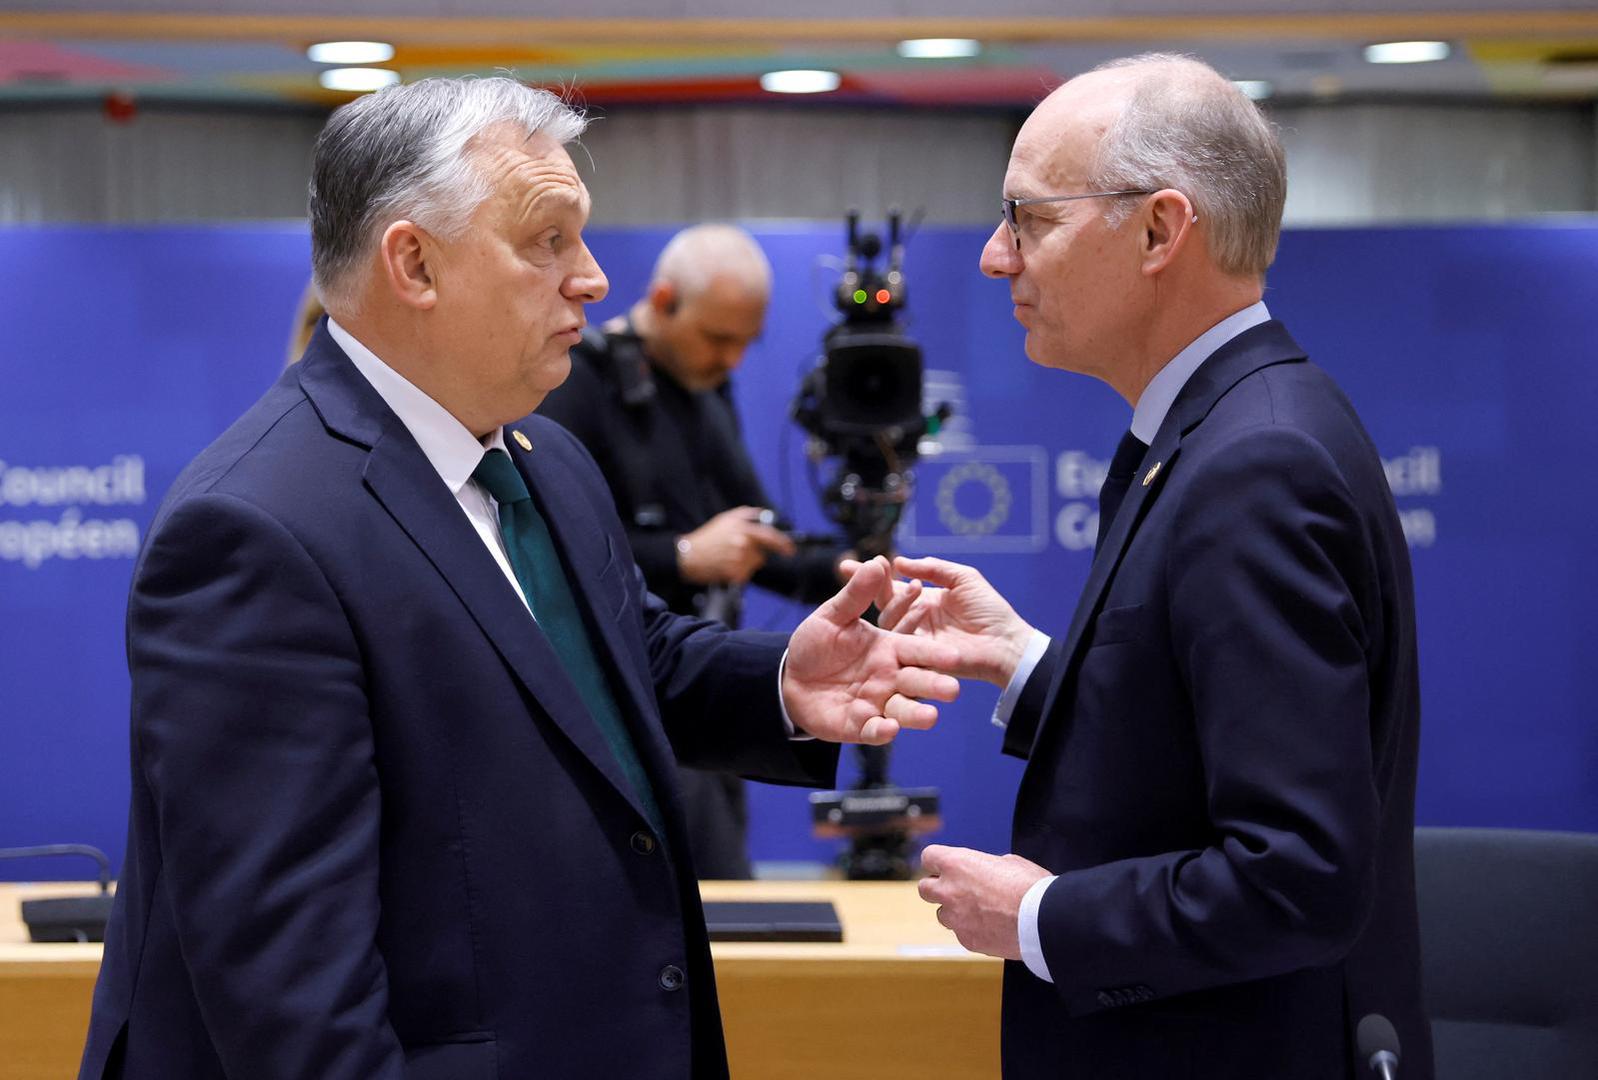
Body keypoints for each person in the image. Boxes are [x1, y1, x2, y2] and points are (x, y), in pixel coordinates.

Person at [78, 76, 959, 1080]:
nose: (592, 279)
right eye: (548, 240)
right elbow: (289, 990)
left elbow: (618, 661)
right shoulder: (253, 529)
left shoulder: (547, 460)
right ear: (414, 262)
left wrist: (781, 684)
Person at [872, 54, 1432, 1078]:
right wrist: (1027, 664)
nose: (995, 257)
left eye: (1028, 219)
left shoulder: (1254, 461)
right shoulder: (1225, 428)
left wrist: (1038, 917)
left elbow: (1299, 876)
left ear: (1158, 231)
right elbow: (1193, 735)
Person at [538, 224, 848, 879]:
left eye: (745, 343)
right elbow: (548, 549)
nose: (731, 360)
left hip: (705, 691)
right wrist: (682, 555)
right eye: (717, 338)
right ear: (663, 299)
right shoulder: (574, 384)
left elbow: (756, 535)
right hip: (619, 703)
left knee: (727, 901)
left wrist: (854, 575)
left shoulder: (706, 390)